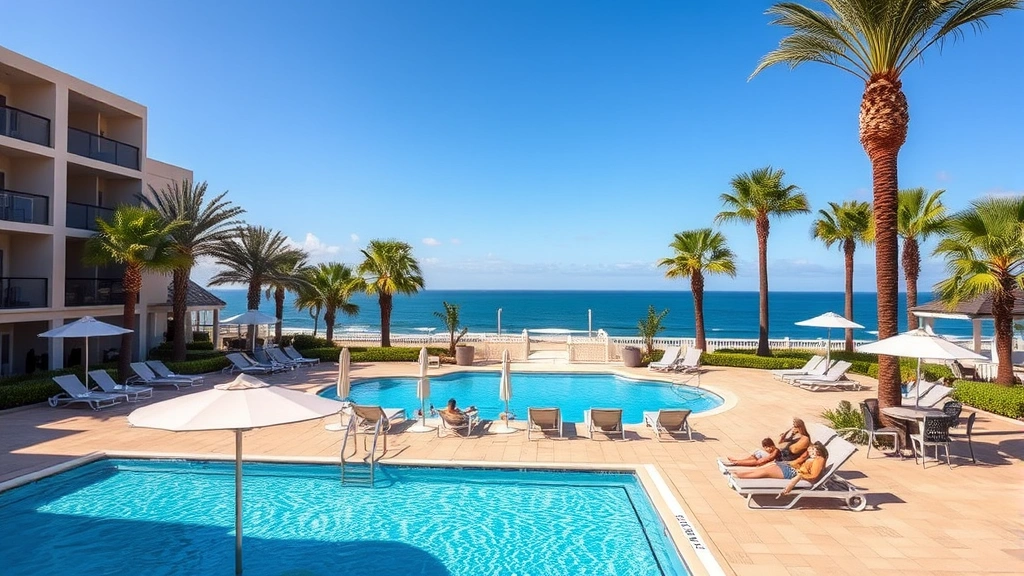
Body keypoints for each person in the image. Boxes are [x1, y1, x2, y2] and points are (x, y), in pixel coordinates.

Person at [731, 442, 829, 493]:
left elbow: (813, 476)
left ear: (819, 451)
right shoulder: (817, 458)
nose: (810, 452)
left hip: (792, 473)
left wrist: (798, 477)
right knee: (762, 469)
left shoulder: (819, 459)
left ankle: (737, 476)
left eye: (813, 450)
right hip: (791, 469)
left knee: (764, 471)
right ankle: (736, 474)